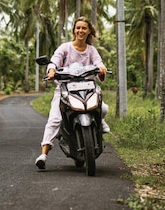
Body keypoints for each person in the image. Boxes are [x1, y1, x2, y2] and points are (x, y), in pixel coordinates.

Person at [35, 16, 110, 170]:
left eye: (84, 28)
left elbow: (98, 63)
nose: (80, 31)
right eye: (78, 28)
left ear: (89, 31)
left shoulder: (92, 50)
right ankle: (44, 154)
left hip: (88, 88)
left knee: (103, 108)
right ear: (74, 30)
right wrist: (51, 70)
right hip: (65, 89)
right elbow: (54, 61)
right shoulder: (65, 47)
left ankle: (99, 122)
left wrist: (102, 68)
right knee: (55, 119)